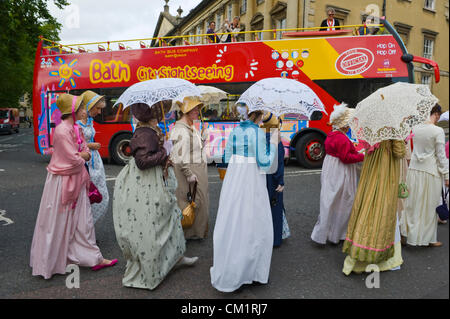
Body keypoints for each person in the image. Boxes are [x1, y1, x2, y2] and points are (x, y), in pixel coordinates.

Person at [30, 93, 117, 279]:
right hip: (63, 182)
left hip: (77, 179)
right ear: (72, 110)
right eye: (82, 108)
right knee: (59, 222)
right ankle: (55, 260)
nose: (84, 111)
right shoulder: (62, 131)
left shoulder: (74, 128)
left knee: (83, 220)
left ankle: (92, 257)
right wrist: (83, 155)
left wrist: (83, 152)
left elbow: (83, 147)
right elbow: (72, 159)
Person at [113, 102, 197, 290]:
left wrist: (164, 148)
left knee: (169, 218)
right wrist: (165, 151)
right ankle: (153, 270)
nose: (163, 112)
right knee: (154, 223)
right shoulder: (144, 133)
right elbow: (143, 161)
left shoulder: (150, 129)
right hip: (147, 183)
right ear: (152, 113)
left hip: (156, 179)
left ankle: (175, 257)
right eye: (160, 110)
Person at [210, 106, 277, 292]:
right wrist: (272, 143)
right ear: (260, 114)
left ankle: (231, 267)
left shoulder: (235, 130)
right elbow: (264, 163)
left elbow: (227, 156)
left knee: (232, 220)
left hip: (234, 176)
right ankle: (252, 272)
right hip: (251, 178)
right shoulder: (257, 132)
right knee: (254, 222)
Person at [342, 137, 406, 275]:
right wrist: (401, 140)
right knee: (384, 209)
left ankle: (358, 255)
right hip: (386, 171)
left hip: (370, 170)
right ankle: (384, 258)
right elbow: (400, 152)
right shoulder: (393, 130)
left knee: (367, 204)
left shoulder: (370, 127)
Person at [311, 104, 364, 245]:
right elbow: (346, 158)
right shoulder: (341, 138)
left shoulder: (332, 135)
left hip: (331, 170)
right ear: (344, 125)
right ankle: (338, 233)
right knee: (344, 201)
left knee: (329, 200)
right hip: (341, 171)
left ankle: (325, 232)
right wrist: (362, 156)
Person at [400, 104, 449, 247]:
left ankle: (405, 233)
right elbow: (441, 156)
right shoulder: (438, 131)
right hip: (430, 172)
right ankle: (429, 239)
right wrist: (447, 175)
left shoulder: (415, 128)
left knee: (411, 204)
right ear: (437, 114)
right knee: (429, 206)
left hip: (414, 170)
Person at [169, 97, 210, 240]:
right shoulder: (181, 129)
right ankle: (191, 233)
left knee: (198, 200)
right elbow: (179, 156)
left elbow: (194, 148)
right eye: (195, 109)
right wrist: (188, 173)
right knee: (193, 201)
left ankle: (196, 232)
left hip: (197, 168)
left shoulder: (189, 126)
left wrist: (203, 138)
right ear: (186, 111)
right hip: (192, 170)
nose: (198, 111)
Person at [77, 90, 109, 224]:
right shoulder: (77, 123)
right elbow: (74, 146)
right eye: (98, 108)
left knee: (101, 194)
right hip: (85, 163)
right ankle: (85, 230)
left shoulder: (89, 121)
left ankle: (89, 228)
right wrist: (90, 145)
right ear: (90, 106)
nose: (100, 112)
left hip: (95, 161)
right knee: (87, 196)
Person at [261, 112, 290, 247]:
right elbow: (277, 163)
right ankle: (274, 238)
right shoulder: (275, 137)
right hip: (273, 179)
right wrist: (281, 181)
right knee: (275, 206)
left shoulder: (260, 135)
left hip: (261, 178)